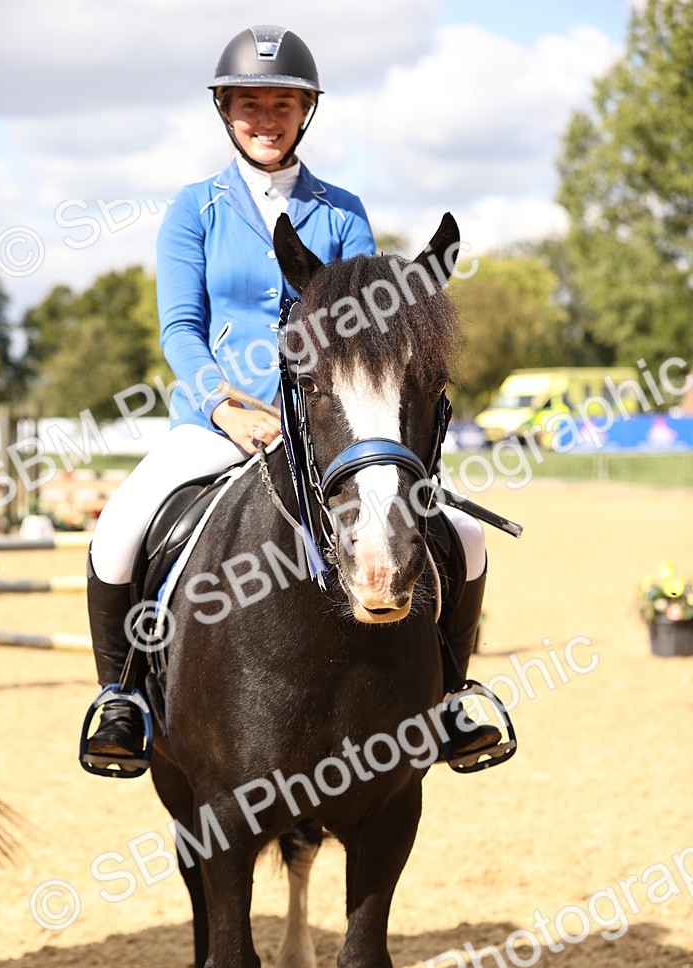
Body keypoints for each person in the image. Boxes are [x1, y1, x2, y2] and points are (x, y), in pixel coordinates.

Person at [82, 24, 503, 773]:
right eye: (251, 105)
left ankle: (453, 698)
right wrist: (223, 404)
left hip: (330, 422)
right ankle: (124, 699)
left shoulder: (341, 210)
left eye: (282, 105)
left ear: (305, 112)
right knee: (118, 530)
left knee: (465, 537)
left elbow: (376, 325)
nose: (266, 119)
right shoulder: (195, 208)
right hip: (219, 421)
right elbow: (182, 328)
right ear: (226, 111)